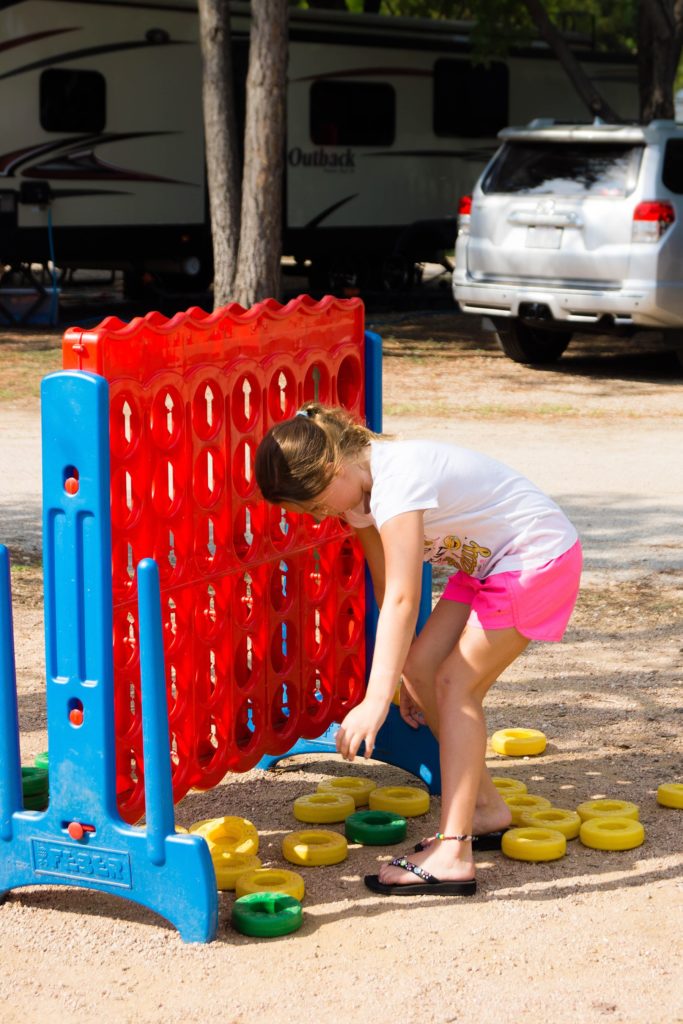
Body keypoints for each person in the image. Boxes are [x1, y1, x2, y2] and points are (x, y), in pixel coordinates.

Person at [255, 403, 582, 897]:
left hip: (536, 557)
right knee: (424, 670)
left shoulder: (397, 479)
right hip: (489, 566)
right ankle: (487, 809)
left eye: (317, 503)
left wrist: (373, 699)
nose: (321, 516)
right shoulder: (357, 498)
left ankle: (454, 853)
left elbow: (408, 598)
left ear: (332, 467)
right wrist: (406, 674)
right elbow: (389, 591)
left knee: (456, 686)